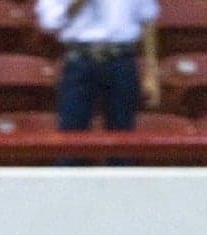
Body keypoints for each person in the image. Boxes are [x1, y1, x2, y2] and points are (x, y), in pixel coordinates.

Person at [35, 0, 161, 134]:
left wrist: (151, 72)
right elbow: (49, 22)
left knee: (123, 136)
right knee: (72, 135)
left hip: (121, 61)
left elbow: (148, 18)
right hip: (80, 61)